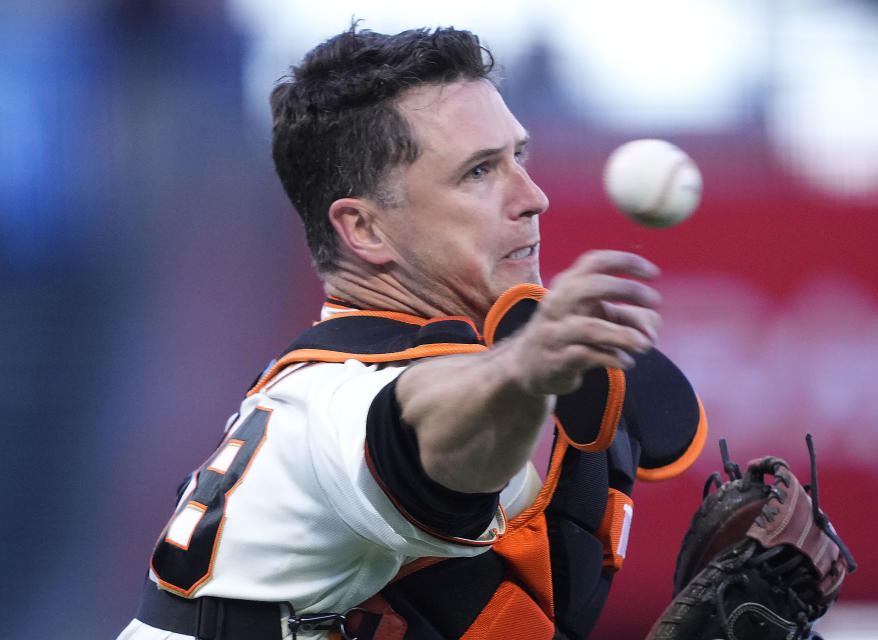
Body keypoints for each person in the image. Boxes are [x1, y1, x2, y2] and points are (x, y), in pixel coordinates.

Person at [118, 24, 706, 640]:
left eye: (518, 157)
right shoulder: (324, 402)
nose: (534, 198)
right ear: (364, 230)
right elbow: (421, 431)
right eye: (478, 172)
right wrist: (521, 368)